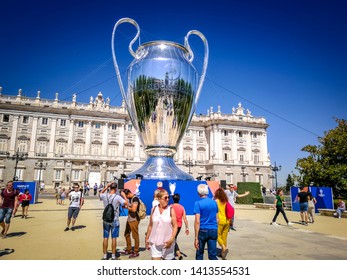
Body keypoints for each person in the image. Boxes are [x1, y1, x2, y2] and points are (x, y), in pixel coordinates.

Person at [145, 189, 178, 260]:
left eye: (168, 197)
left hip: (167, 242)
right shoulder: (154, 209)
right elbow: (150, 225)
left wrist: (171, 239)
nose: (168, 199)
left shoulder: (171, 210)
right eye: (165, 198)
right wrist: (147, 238)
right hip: (155, 242)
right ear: (159, 199)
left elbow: (175, 226)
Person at [99, 181, 128, 260]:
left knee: (105, 237)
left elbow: (100, 194)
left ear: (110, 187)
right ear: (115, 189)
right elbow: (126, 203)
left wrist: (106, 187)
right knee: (114, 238)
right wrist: (124, 196)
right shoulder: (117, 197)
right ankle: (113, 255)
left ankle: (105, 255)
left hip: (106, 219)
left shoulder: (105, 195)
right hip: (114, 219)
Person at [194, 184, 218, 260]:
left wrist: (196, 238)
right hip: (213, 229)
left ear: (198, 192)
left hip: (202, 230)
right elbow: (217, 219)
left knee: (199, 253)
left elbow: (197, 221)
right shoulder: (214, 203)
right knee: (212, 255)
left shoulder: (198, 203)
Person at [120, 189, 140, 258]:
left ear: (128, 194)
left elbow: (134, 210)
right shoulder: (131, 199)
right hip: (130, 219)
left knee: (135, 235)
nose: (126, 198)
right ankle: (129, 249)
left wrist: (127, 207)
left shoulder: (135, 199)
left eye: (126, 196)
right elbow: (128, 204)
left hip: (134, 219)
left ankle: (136, 251)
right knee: (126, 234)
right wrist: (127, 206)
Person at [214, 188, 230, 259]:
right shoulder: (226, 201)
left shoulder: (216, 201)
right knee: (224, 237)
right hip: (227, 221)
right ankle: (222, 253)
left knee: (217, 235)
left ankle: (224, 247)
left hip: (220, 221)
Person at [171, 193, 189, 260]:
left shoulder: (170, 207)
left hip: (172, 225)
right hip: (179, 226)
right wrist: (187, 227)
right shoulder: (182, 207)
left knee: (173, 239)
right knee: (174, 239)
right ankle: (177, 253)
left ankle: (178, 254)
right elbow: (185, 219)